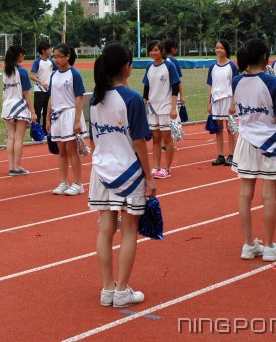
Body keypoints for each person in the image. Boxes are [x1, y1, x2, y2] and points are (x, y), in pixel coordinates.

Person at [88, 42, 156, 308]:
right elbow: (139, 142)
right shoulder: (132, 98)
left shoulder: (95, 98)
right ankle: (122, 291)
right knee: (129, 231)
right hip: (128, 172)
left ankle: (107, 289)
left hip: (101, 172)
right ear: (127, 67)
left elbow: (94, 139)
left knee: (105, 231)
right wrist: (150, 177)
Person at [232, 39, 276, 262]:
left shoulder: (236, 81)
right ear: (265, 57)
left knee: (245, 194)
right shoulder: (274, 83)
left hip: (245, 142)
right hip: (270, 143)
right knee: (268, 196)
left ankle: (249, 245)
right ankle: (268, 247)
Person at [47, 43, 87, 195]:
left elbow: (79, 98)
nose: (56, 60)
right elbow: (51, 97)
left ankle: (78, 183)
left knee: (72, 151)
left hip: (70, 114)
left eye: (59, 56)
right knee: (61, 151)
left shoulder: (74, 74)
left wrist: (77, 121)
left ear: (68, 56)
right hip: (57, 116)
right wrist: (48, 118)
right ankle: (63, 182)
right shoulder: (54, 75)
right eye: (54, 57)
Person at [142, 40, 180, 178]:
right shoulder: (149, 67)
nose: (153, 53)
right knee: (156, 138)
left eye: (156, 50)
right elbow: (146, 88)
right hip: (153, 108)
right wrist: (143, 104)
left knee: (167, 138)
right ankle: (156, 167)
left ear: (162, 51)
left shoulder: (169, 66)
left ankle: (167, 168)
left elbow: (175, 87)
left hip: (166, 107)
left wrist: (174, 107)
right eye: (151, 50)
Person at [1, 45, 37, 176]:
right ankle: (16, 167)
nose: (24, 56)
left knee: (11, 137)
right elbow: (26, 93)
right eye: (23, 54)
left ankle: (11, 166)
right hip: (19, 106)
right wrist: (33, 111)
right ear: (19, 56)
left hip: (7, 106)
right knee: (18, 138)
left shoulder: (5, 71)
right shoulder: (22, 71)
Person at [206, 39, 239, 166]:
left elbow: (235, 86)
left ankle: (231, 155)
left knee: (230, 129)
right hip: (216, 101)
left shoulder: (232, 66)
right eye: (217, 47)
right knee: (218, 129)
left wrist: (233, 103)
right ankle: (220, 155)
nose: (218, 50)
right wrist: (208, 102)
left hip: (228, 99)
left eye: (221, 48)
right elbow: (210, 86)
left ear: (226, 50)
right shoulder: (212, 67)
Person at [30, 41, 55, 134]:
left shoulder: (51, 61)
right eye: (49, 48)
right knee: (37, 112)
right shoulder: (37, 62)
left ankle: (45, 132)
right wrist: (41, 82)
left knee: (47, 112)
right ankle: (34, 134)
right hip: (39, 90)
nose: (51, 50)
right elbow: (31, 75)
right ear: (43, 51)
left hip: (49, 91)